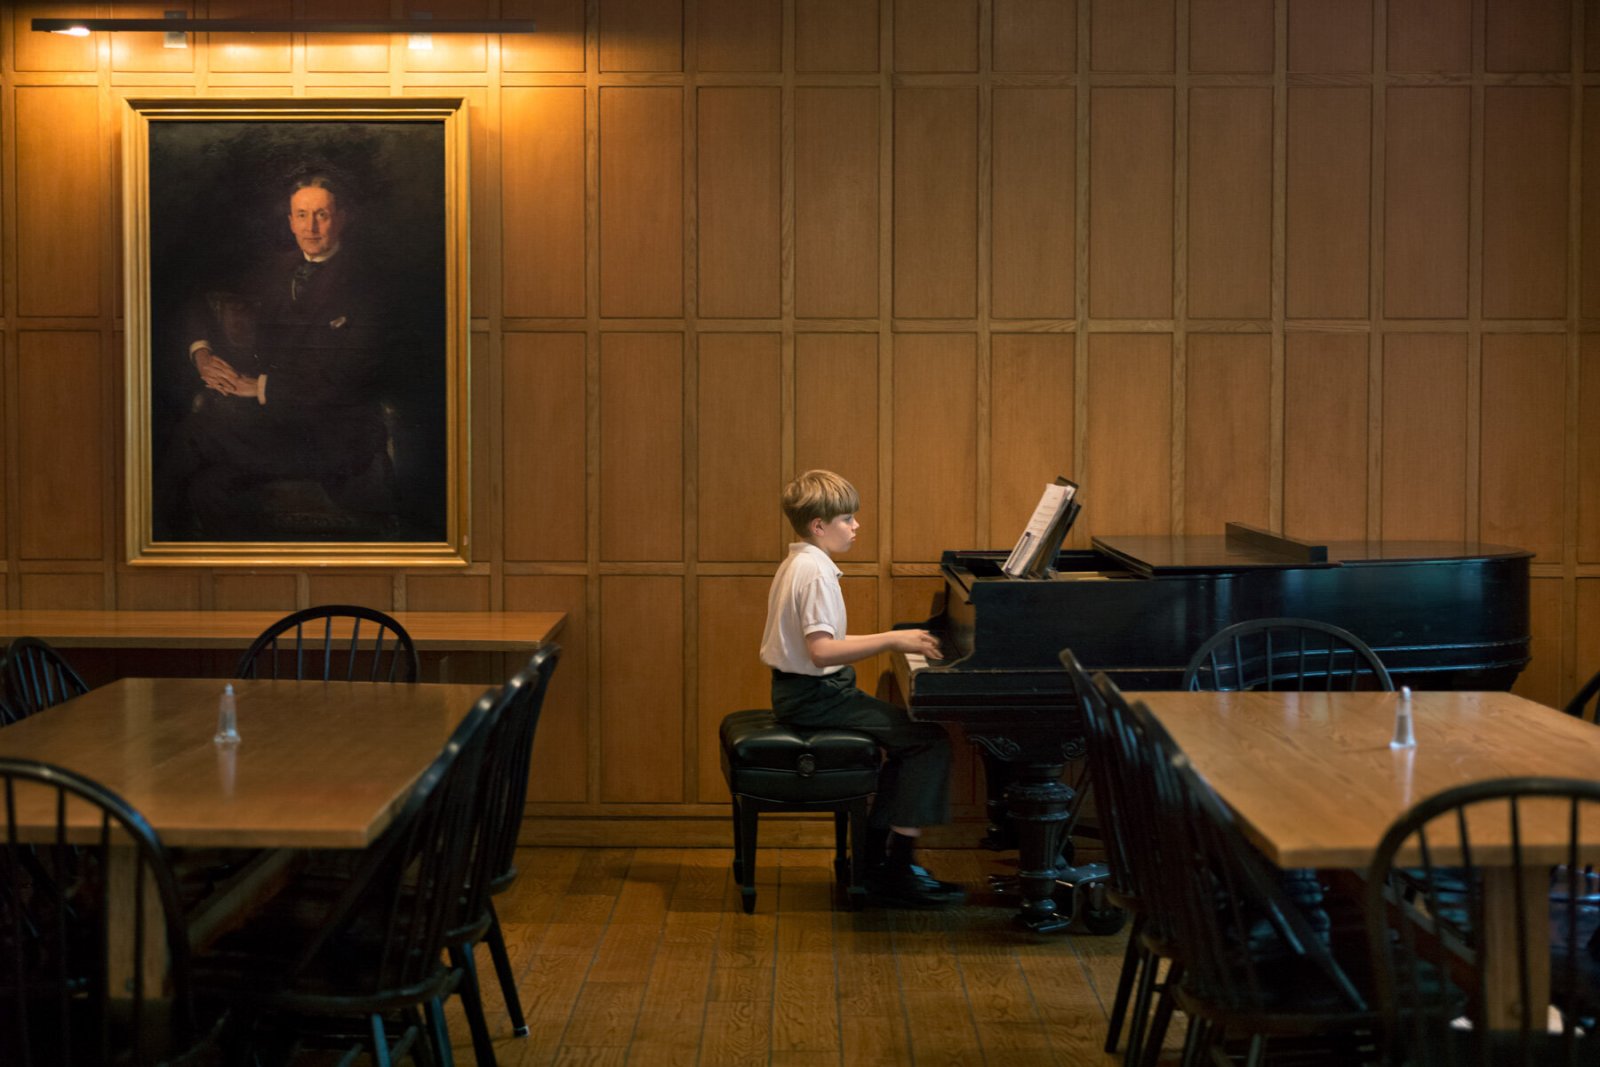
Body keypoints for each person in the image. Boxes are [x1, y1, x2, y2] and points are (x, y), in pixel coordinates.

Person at [759, 469, 966, 908]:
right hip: (815, 698)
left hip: (808, 693)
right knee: (928, 742)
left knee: (909, 740)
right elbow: (822, 652)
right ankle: (896, 869)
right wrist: (894, 639)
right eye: (847, 519)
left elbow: (823, 648)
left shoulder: (802, 562)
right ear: (819, 526)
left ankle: (876, 857)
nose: (856, 526)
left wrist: (895, 638)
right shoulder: (814, 573)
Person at [155, 169, 394, 539]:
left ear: (342, 218)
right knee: (210, 490)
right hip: (273, 428)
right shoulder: (275, 267)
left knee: (194, 434)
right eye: (302, 215)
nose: (311, 227)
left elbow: (348, 378)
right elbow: (198, 294)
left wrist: (261, 386)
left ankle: (147, 539)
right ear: (290, 220)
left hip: (336, 437)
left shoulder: (369, 282)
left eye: (322, 214)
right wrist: (201, 354)